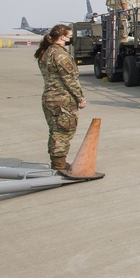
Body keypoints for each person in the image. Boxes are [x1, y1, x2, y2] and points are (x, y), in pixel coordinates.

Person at [34, 24, 87, 172]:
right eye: (69, 36)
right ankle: (59, 164)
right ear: (62, 37)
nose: (70, 38)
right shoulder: (60, 55)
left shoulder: (45, 52)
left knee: (55, 131)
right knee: (63, 132)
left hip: (49, 98)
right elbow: (70, 80)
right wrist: (80, 98)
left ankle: (57, 161)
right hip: (62, 99)